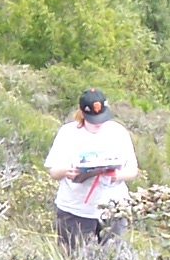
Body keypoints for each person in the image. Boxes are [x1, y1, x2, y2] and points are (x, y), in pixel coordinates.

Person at [44, 88, 140, 251]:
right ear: (82, 113)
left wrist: (118, 175)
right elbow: (54, 171)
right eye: (92, 120)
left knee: (112, 258)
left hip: (113, 210)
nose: (98, 124)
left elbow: (132, 170)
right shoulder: (68, 133)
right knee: (73, 258)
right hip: (75, 210)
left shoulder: (118, 132)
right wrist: (67, 171)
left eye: (101, 118)